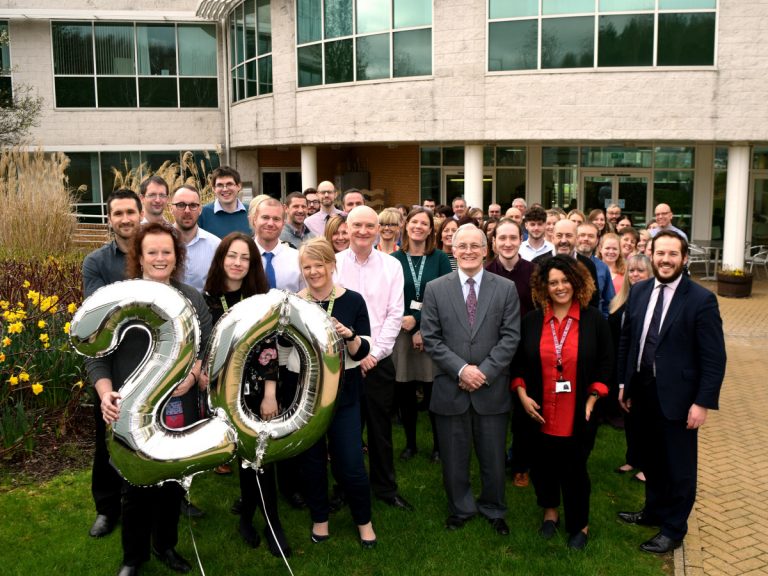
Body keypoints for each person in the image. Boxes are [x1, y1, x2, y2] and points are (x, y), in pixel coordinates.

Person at [90, 222, 212, 576]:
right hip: (131, 411)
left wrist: (191, 377)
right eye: (152, 252)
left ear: (177, 257)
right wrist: (105, 392)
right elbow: (95, 354)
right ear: (139, 258)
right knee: (135, 486)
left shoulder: (191, 297)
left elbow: (203, 343)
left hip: (178, 406)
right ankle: (133, 557)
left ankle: (166, 546)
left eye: (167, 252)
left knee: (172, 483)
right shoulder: (117, 298)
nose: (160, 258)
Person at [617, 231, 726, 554]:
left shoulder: (701, 300)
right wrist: (624, 384)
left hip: (679, 398)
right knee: (650, 458)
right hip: (642, 392)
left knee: (678, 468)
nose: (665, 260)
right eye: (660, 253)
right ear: (651, 255)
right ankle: (653, 512)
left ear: (684, 258)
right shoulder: (638, 292)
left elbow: (714, 357)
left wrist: (702, 402)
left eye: (672, 254)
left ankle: (674, 529)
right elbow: (629, 340)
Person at [421, 224, 520, 536]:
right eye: (461, 245)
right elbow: (432, 338)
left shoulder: (505, 288)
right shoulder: (436, 288)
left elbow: (510, 337)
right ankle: (460, 508)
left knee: (492, 456)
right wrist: (462, 370)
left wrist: (484, 373)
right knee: (453, 456)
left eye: (474, 246)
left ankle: (493, 508)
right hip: (451, 386)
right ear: (452, 248)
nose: (467, 251)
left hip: (492, 389)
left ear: (485, 249)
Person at [512, 255, 613, 550]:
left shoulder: (594, 320)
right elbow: (517, 364)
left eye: (565, 281)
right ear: (544, 286)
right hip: (539, 410)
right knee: (543, 466)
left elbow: (606, 364)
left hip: (578, 411)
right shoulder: (531, 321)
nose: (560, 287)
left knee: (575, 469)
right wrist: (522, 395)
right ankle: (550, 513)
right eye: (553, 282)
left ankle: (580, 524)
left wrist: (593, 398)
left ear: (577, 282)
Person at [202, 232, 291, 557]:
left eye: (245, 258)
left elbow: (269, 349)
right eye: (232, 256)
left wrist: (270, 393)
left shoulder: (260, 299)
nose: (238, 263)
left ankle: (272, 524)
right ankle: (247, 519)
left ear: (252, 263)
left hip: (259, 388)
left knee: (263, 454)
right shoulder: (207, 298)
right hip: (224, 393)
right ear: (221, 259)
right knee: (243, 455)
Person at [296, 238, 378, 548]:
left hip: (345, 396)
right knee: (312, 463)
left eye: (320, 264)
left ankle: (364, 522)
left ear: (333, 265)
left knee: (352, 464)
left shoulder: (353, 300)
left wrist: (349, 335)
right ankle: (320, 519)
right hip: (306, 397)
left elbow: (363, 351)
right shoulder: (295, 302)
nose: (314, 271)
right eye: (307, 266)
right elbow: (286, 352)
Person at [335, 206, 412, 511]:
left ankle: (385, 488)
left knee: (380, 430)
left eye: (370, 225)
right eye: (357, 226)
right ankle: (343, 487)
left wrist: (373, 355)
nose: (364, 231)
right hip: (343, 363)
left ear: (379, 229)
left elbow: (395, 315)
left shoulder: (392, 267)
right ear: (347, 228)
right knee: (345, 430)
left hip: (378, 361)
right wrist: (355, 356)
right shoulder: (335, 264)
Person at [82, 189, 142, 539]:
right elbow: (97, 312)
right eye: (117, 213)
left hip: (153, 357)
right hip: (111, 362)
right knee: (107, 438)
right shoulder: (96, 262)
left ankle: (169, 497)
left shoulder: (154, 253)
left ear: (139, 214)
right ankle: (107, 508)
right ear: (110, 219)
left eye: (130, 212)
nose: (124, 219)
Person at [391, 208, 452, 462]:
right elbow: (391, 297)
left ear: (430, 229)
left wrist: (419, 324)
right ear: (406, 226)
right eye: (414, 222)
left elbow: (445, 296)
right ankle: (411, 444)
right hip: (401, 332)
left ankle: (438, 446)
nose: (418, 226)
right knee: (404, 390)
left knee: (432, 390)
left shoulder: (439, 259)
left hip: (432, 332)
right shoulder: (394, 259)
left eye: (424, 223)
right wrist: (409, 323)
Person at [485, 218, 535, 488]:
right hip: (492, 352)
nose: (507, 243)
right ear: (493, 242)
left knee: (522, 412)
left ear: (520, 240)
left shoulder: (534, 272)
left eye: (512, 238)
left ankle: (520, 463)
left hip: (525, 353)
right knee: (493, 411)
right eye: (501, 238)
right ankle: (493, 460)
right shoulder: (484, 271)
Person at [609, 254, 653, 483]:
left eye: (640, 271)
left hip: (643, 371)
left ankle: (649, 465)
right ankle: (633, 458)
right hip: (622, 366)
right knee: (630, 417)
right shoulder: (621, 299)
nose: (635, 275)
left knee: (646, 419)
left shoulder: (652, 302)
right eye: (632, 271)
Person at [533, 219, 600, 310]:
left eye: (568, 236)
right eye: (559, 236)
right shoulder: (537, 263)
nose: (563, 240)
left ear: (576, 239)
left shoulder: (587, 265)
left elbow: (593, 300)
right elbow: (535, 300)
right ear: (553, 238)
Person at [170, 184, 220, 291]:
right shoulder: (158, 242)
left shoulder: (215, 246)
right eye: (181, 205)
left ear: (200, 209)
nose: (187, 210)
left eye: (193, 205)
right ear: (171, 209)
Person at [576, 222, 615, 318]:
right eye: (582, 235)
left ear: (597, 240)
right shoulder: (563, 263)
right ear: (575, 237)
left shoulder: (603, 267)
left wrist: (603, 321)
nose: (586, 239)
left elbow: (609, 301)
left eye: (590, 236)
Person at [198, 166, 251, 237]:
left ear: (239, 186)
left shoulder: (251, 211)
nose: (225, 189)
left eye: (229, 184)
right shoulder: (202, 214)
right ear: (214, 189)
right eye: (220, 185)